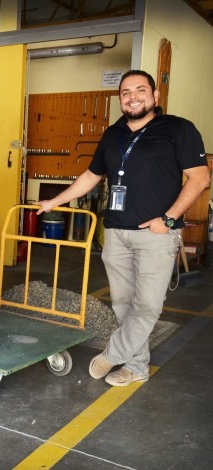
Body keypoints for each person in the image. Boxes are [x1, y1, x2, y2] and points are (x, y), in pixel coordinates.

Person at [38, 70, 210, 387]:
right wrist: (56, 201)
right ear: (121, 99)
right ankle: (137, 366)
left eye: (140, 89)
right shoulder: (113, 133)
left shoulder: (177, 129)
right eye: (126, 92)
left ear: (155, 96)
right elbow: (92, 175)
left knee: (146, 306)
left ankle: (112, 354)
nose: (132, 96)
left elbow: (200, 177)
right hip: (116, 233)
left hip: (156, 235)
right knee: (122, 305)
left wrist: (169, 219)